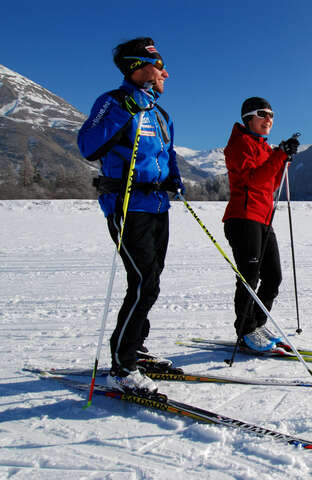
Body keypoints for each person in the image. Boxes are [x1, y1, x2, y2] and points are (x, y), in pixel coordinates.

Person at [77, 37, 184, 393]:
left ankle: (135, 348)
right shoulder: (114, 102)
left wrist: (175, 179)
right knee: (143, 283)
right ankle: (122, 368)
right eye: (160, 66)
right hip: (126, 207)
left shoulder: (161, 113)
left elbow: (166, 156)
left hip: (158, 208)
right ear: (140, 68)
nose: (166, 73)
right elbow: (88, 145)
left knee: (151, 281)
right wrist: (125, 108)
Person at [222, 97, 299, 351]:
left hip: (263, 219)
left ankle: (256, 324)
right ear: (248, 118)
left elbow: (271, 184)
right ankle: (245, 331)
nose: (269, 119)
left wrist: (283, 159)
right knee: (249, 278)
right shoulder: (239, 144)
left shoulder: (264, 147)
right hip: (243, 219)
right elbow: (254, 181)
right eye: (263, 114)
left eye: (272, 115)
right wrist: (278, 155)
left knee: (273, 277)